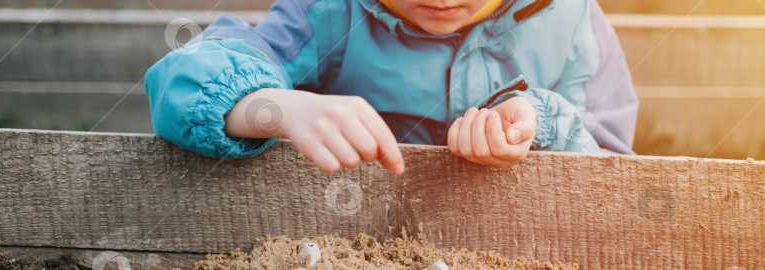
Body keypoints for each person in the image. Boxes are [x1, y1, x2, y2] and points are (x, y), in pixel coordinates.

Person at [144, 0, 639, 175]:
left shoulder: (574, 19)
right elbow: (183, 77)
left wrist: (543, 123)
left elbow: (615, 167)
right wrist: (276, 106)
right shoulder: (328, 11)